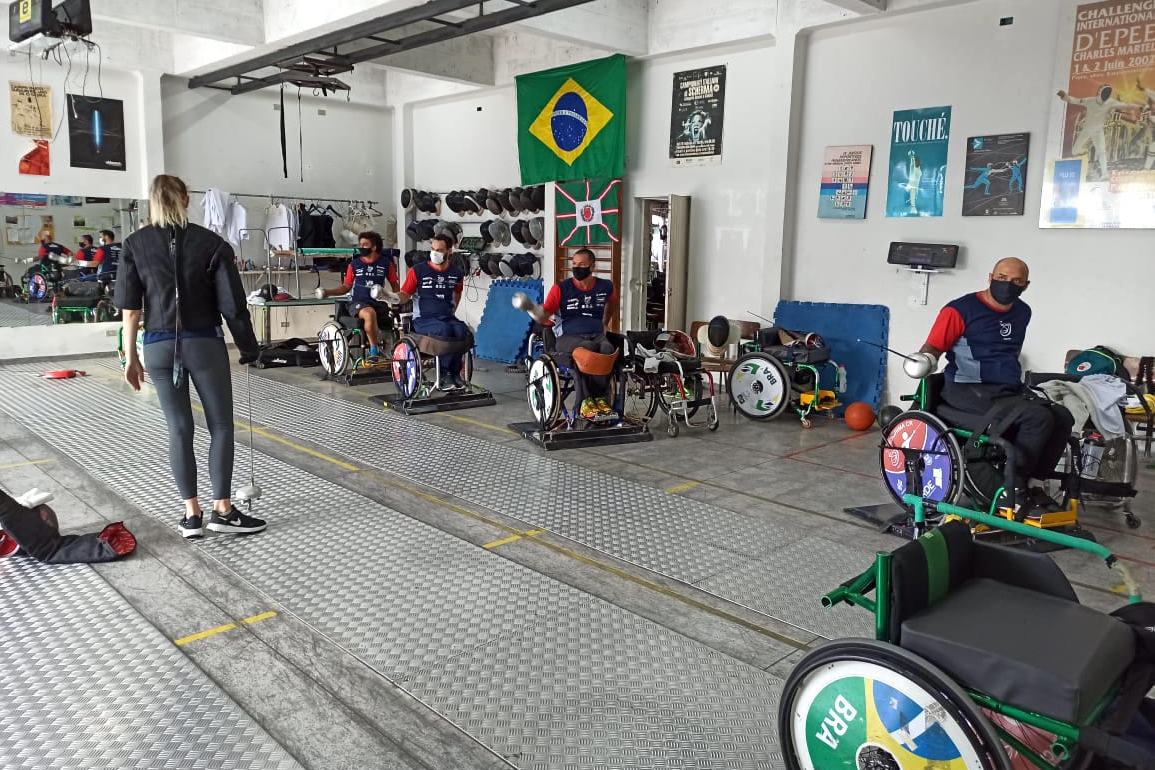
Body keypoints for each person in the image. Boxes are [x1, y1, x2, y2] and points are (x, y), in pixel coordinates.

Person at [114, 174, 266, 539]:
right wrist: (249, 348)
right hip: (203, 344)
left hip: (156, 347)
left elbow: (130, 309)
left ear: (151, 201)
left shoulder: (134, 244)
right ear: (185, 199)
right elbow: (233, 307)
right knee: (220, 426)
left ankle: (191, 516)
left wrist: (130, 355)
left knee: (179, 429)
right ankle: (223, 511)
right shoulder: (212, 244)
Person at [915, 257, 1074, 513]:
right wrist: (924, 359)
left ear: (1026, 285)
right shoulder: (959, 310)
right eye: (1001, 278)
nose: (1007, 284)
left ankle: (1034, 483)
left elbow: (1012, 351)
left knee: (1063, 416)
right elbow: (933, 347)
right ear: (990, 277)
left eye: (1016, 281)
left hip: (1005, 392)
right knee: (1038, 418)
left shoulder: (1023, 312)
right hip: (967, 390)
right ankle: (1010, 489)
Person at [527, 248, 619, 419]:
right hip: (567, 337)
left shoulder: (605, 286)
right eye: (574, 264)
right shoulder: (561, 289)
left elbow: (612, 303)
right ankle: (585, 402)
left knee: (607, 350)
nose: (577, 268)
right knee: (588, 349)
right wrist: (534, 310)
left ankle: (599, 399)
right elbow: (546, 314)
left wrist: (605, 323)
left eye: (582, 264)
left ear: (592, 266)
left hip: (596, 333)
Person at [393, 233, 468, 390]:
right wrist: (391, 298)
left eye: (440, 250)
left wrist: (453, 310)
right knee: (444, 330)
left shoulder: (456, 273)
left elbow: (458, 292)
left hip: (446, 316)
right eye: (433, 249)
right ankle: (444, 374)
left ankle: (455, 374)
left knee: (462, 331)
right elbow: (405, 294)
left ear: (449, 251)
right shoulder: (417, 271)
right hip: (424, 320)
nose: (435, 253)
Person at [316, 231, 398, 359]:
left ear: (374, 247)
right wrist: (328, 292)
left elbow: (395, 285)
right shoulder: (354, 265)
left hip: (378, 301)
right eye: (360, 244)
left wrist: (397, 301)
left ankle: (391, 351)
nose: (361, 248)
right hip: (358, 302)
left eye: (365, 245)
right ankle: (373, 350)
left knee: (381, 314)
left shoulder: (386, 263)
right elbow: (346, 287)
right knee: (369, 313)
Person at [1057, 85, 1136, 181]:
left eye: (1108, 93)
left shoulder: (1110, 102)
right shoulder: (1090, 100)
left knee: (1102, 152)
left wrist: (1138, 107)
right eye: (1104, 93)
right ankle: (1081, 151)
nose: (1106, 96)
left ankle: (1104, 174)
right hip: (1087, 129)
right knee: (1075, 151)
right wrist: (1065, 96)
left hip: (1098, 131)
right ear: (1099, 93)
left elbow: (1125, 105)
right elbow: (1075, 100)